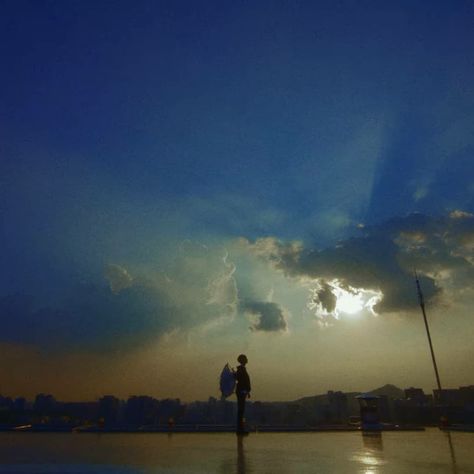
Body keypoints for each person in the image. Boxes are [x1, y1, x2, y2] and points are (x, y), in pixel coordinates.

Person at [234, 354, 251, 434]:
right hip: (241, 391)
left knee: (241, 410)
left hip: (241, 391)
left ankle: (240, 429)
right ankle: (240, 429)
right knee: (241, 410)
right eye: (246, 358)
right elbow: (243, 382)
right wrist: (246, 391)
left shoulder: (241, 369)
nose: (247, 359)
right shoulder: (241, 370)